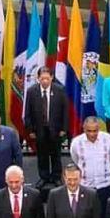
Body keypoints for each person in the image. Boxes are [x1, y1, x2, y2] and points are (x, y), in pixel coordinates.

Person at [24, 66, 68, 201]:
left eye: (47, 78)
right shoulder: (32, 91)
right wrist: (30, 130)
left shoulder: (59, 91)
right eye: (42, 79)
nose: (44, 81)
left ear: (51, 78)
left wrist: (63, 129)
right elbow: (28, 112)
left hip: (55, 129)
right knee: (42, 155)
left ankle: (56, 177)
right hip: (39, 130)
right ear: (38, 79)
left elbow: (64, 112)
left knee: (56, 154)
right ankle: (44, 177)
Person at [70, 116, 110, 218]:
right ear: (84, 129)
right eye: (89, 131)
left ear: (99, 128)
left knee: (104, 216)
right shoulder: (76, 142)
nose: (92, 134)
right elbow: (75, 159)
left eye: (95, 130)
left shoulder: (108, 139)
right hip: (86, 186)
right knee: (86, 217)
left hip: (104, 185)